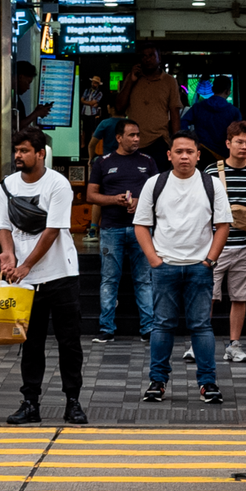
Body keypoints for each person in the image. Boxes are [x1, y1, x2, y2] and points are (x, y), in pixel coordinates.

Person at [0, 127, 85, 425]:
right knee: (31, 343)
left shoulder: (58, 184)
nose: (18, 155)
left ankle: (73, 401)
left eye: (24, 151)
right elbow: (3, 227)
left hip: (61, 274)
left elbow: (52, 231)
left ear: (40, 154)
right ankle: (30, 403)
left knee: (69, 342)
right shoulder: (7, 185)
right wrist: (8, 254)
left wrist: (25, 266)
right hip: (26, 282)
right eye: (16, 150)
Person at [135, 131, 229, 404]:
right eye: (179, 152)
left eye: (189, 152)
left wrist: (210, 260)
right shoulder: (155, 183)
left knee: (201, 326)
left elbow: (223, 225)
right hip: (165, 266)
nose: (184, 157)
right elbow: (141, 224)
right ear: (169, 155)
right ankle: (157, 381)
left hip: (200, 267)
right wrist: (154, 259)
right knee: (162, 325)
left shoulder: (212, 184)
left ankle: (208, 383)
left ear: (198, 155)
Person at [87, 116, 159, 342]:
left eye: (138, 135)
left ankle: (149, 328)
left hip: (141, 229)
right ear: (119, 138)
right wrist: (114, 200)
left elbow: (159, 194)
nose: (136, 139)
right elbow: (91, 195)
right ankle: (106, 328)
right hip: (111, 228)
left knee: (144, 279)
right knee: (109, 280)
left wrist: (140, 201)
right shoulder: (103, 162)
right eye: (131, 135)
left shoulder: (148, 161)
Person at [212, 120, 246, 366]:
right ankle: (199, 341)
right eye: (239, 142)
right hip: (216, 245)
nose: (244, 147)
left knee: (241, 297)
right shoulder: (211, 172)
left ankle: (234, 344)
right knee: (207, 295)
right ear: (228, 143)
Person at [121, 46, 183, 157]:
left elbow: (174, 113)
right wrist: (131, 81)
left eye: (151, 55)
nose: (147, 59)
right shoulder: (132, 79)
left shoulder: (169, 81)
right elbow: (119, 107)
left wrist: (176, 143)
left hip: (159, 140)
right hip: (134, 140)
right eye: (144, 56)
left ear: (159, 58)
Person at [182, 77, 240, 151]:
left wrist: (190, 141)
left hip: (202, 151)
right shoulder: (234, 112)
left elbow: (183, 122)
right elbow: (239, 133)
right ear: (228, 92)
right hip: (224, 152)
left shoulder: (198, 107)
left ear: (212, 89)